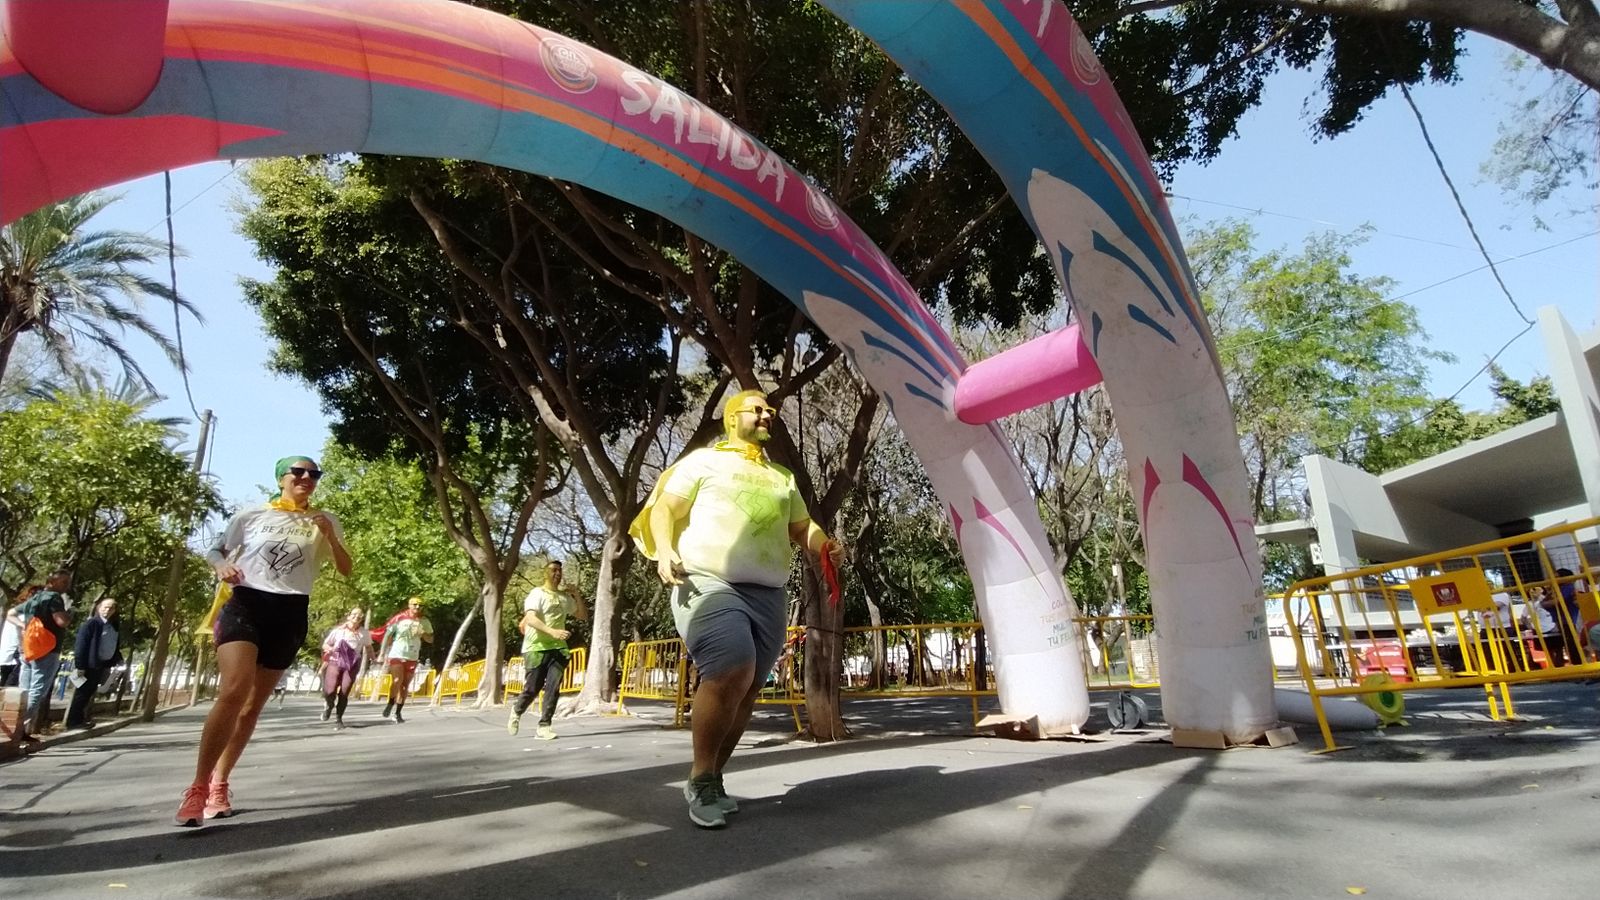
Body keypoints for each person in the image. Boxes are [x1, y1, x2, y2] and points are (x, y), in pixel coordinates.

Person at [632, 389, 844, 829]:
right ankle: (701, 777)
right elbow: (664, 510)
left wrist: (826, 547)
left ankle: (710, 776)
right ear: (732, 419)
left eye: (771, 410)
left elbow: (802, 529)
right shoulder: (702, 463)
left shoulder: (782, 478)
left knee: (746, 691)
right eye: (758, 409)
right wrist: (665, 550)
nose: (768, 415)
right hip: (707, 580)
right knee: (731, 667)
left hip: (766, 591)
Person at [176, 456, 351, 827]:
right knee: (234, 690)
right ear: (281, 478)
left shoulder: (324, 519)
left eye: (314, 474)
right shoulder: (252, 515)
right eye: (298, 472)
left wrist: (330, 535)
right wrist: (221, 567)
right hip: (246, 603)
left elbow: (346, 568)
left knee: (252, 707)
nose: (307, 478)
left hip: (290, 613)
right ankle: (197, 787)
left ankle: (221, 782)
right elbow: (216, 550)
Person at [508, 561, 588, 740]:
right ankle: (517, 710)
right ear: (545, 573)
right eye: (553, 570)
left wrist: (576, 594)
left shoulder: (563, 597)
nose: (557, 574)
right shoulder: (537, 594)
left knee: (553, 688)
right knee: (532, 688)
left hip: (558, 649)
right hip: (535, 648)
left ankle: (544, 726)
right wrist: (553, 632)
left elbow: (582, 615)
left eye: (559, 570)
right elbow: (530, 618)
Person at [6, 571, 73, 743]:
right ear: (52, 582)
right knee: (37, 691)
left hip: (29, 648)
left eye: (68, 582)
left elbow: (10, 613)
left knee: (24, 689)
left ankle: (16, 727)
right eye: (63, 581)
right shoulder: (54, 598)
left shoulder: (35, 598)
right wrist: (68, 613)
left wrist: (24, 626)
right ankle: (18, 727)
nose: (67, 585)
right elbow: (61, 621)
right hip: (47, 649)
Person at [66, 597, 121, 729]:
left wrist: (117, 659)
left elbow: (113, 645)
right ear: (99, 608)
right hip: (88, 665)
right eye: (105, 607)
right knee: (82, 692)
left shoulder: (113, 626)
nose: (107, 610)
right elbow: (81, 646)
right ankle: (73, 721)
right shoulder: (91, 624)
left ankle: (81, 719)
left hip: (101, 664)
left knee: (89, 692)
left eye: (111, 608)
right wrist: (80, 666)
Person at [375, 597, 432, 723]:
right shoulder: (399, 618)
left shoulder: (424, 621)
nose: (417, 607)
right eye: (415, 605)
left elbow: (430, 639)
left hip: (412, 656)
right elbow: (387, 635)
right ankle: (390, 702)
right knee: (397, 680)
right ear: (409, 605)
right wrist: (382, 653)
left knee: (405, 685)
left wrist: (422, 633)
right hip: (397, 654)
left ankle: (398, 713)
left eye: (420, 605)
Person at [320, 607, 368, 728]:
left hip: (351, 664)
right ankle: (329, 705)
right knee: (330, 690)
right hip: (335, 661)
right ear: (349, 616)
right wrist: (330, 649)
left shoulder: (364, 633)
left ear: (361, 619)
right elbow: (325, 644)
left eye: (359, 616)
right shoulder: (338, 631)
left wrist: (376, 658)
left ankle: (339, 719)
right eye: (354, 614)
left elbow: (369, 647)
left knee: (344, 691)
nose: (356, 617)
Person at [0, 585, 39, 688]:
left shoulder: (16, 613)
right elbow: (22, 633)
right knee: (10, 690)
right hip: (15, 657)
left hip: (7, 657)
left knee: (5, 688)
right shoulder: (23, 615)